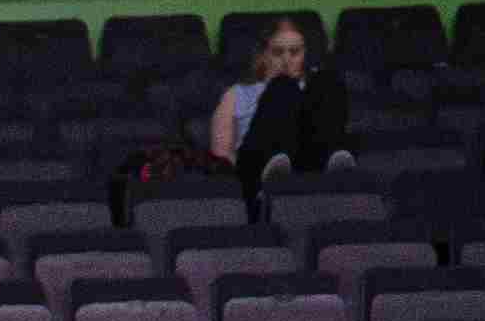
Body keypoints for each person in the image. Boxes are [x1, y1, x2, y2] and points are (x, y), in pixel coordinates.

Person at [118, 16, 348, 221]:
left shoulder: (312, 88)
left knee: (327, 80)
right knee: (283, 88)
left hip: (305, 162)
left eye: (295, 52)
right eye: (278, 52)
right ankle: (275, 173)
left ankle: (329, 167)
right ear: (264, 55)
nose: (287, 60)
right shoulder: (236, 94)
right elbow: (221, 156)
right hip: (256, 166)